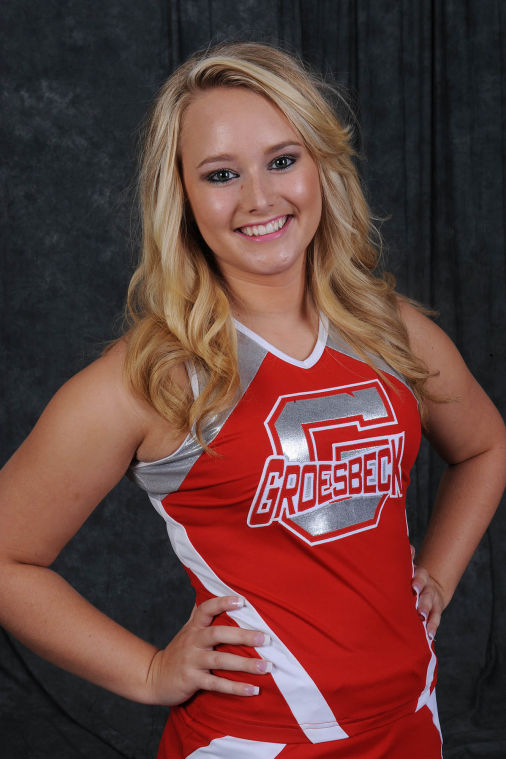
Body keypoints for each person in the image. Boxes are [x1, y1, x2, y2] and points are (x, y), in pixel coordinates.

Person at [0, 41, 505, 759]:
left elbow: (487, 446)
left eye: (282, 160)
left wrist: (441, 577)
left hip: (411, 721)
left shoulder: (393, 332)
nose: (259, 198)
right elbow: (7, 555)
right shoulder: (150, 378)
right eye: (221, 174)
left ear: (321, 165)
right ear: (181, 195)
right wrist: (149, 671)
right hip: (252, 742)